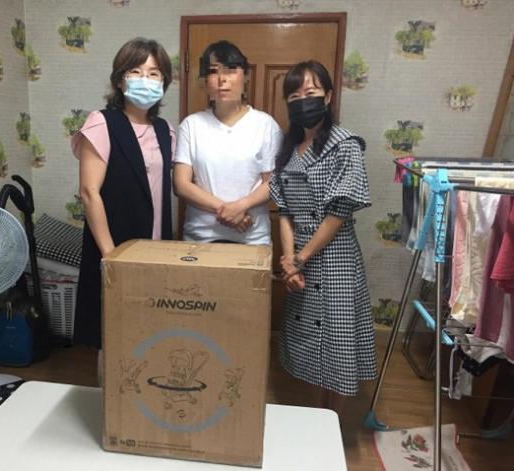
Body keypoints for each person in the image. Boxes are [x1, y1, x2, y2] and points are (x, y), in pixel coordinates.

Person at [269, 60, 377, 414]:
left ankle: (335, 419)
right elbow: (285, 211)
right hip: (299, 258)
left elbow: (338, 214)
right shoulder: (288, 150)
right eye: (294, 95)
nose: (303, 100)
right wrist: (289, 260)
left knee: (336, 340)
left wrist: (300, 258)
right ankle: (317, 414)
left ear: (328, 96)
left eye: (311, 92)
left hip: (334, 259)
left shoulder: (345, 145)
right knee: (310, 342)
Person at [70, 37, 175, 349]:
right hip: (115, 245)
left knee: (151, 331)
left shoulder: (165, 130)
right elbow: (89, 191)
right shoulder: (102, 123)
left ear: (164, 82)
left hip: (157, 247)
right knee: (114, 335)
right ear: (120, 80)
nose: (146, 80)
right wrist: (111, 255)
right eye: (136, 72)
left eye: (154, 73)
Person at [174, 40, 282, 244]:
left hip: (252, 238)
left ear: (246, 76)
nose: (222, 79)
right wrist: (230, 213)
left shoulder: (265, 125)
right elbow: (181, 184)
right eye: (213, 71)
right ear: (205, 81)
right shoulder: (191, 125)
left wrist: (241, 207)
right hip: (200, 238)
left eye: (231, 70)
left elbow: (272, 182)